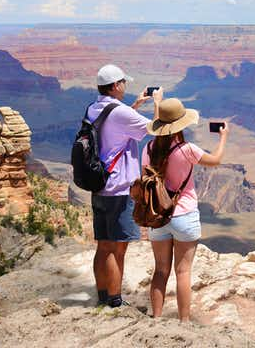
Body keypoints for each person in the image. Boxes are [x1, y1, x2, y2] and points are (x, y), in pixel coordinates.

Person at [142, 98, 229, 322]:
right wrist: (223, 137)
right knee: (183, 272)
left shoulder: (149, 148)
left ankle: (157, 319)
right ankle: (184, 324)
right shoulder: (187, 149)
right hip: (184, 215)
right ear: (181, 124)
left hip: (158, 217)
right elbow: (216, 160)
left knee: (160, 271)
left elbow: (145, 176)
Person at [88, 64, 159, 308]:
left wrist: (136, 105)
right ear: (116, 85)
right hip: (119, 188)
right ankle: (115, 302)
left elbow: (114, 126)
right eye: (123, 83)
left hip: (99, 187)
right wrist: (157, 102)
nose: (125, 87)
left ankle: (101, 295)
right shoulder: (119, 112)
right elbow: (156, 128)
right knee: (117, 249)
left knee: (103, 245)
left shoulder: (94, 108)